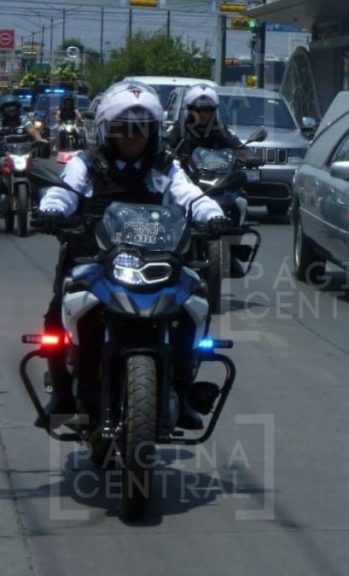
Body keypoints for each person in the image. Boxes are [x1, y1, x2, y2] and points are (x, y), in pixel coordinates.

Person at [35, 81, 229, 430]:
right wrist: (51, 210)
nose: (132, 139)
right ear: (107, 132)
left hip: (159, 263)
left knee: (193, 309)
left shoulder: (166, 167)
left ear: (153, 133)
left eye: (141, 131)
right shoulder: (87, 164)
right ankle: (63, 397)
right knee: (54, 321)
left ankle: (182, 393)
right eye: (124, 131)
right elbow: (64, 192)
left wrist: (212, 215)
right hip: (93, 262)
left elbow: (191, 195)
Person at [165, 84, 242, 163]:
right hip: (183, 173)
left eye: (207, 110)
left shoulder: (219, 130)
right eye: (198, 110)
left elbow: (237, 145)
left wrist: (247, 154)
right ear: (189, 111)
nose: (202, 114)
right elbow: (167, 148)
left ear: (213, 112)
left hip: (215, 173)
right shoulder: (180, 129)